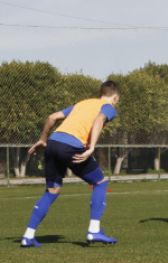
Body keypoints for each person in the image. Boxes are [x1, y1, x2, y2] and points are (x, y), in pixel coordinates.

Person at [21, 80, 120, 247]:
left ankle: (28, 235)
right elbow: (98, 121)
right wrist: (92, 148)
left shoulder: (82, 103)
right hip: (71, 146)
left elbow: (52, 117)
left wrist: (43, 139)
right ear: (115, 97)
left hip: (52, 143)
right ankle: (94, 230)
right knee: (100, 182)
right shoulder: (108, 107)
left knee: (52, 190)